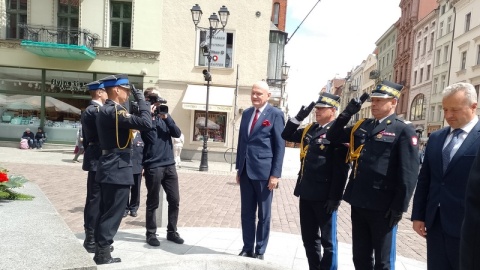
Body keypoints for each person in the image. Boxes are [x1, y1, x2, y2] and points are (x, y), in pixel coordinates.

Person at [326, 80, 420, 270]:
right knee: (360, 257)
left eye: (379, 101)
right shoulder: (363, 125)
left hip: (383, 206)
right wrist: (347, 113)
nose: (374, 104)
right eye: (373, 100)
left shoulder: (403, 129)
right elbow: (332, 136)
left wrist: (399, 207)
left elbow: (409, 173)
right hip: (359, 200)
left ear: (393, 102)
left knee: (383, 261)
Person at [411, 83, 480, 270]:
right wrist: (418, 215)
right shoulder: (436, 137)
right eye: (445, 109)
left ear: (474, 106)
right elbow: (425, 179)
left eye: (455, 110)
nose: (448, 115)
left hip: (469, 228)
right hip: (436, 224)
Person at [281, 93, 350, 270]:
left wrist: (335, 197)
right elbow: (286, 134)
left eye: (322, 108)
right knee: (309, 238)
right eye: (317, 108)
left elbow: (341, 169)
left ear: (333, 111)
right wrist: (298, 117)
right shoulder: (309, 129)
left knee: (328, 242)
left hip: (325, 196)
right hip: (307, 192)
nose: (317, 111)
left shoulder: (339, 132)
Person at [93, 74, 152, 265]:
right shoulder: (115, 111)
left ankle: (101, 249)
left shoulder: (110, 109)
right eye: (126, 90)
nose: (129, 93)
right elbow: (146, 124)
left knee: (107, 210)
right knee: (113, 212)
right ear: (117, 90)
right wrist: (142, 100)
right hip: (116, 167)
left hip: (112, 166)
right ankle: (102, 252)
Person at [235, 81, 286, 260]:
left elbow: (280, 146)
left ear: (267, 96)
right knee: (247, 213)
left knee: (264, 214)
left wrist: (275, 174)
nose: (255, 96)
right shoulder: (247, 113)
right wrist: (238, 168)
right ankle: (247, 247)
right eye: (253, 93)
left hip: (264, 173)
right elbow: (242, 142)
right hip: (246, 171)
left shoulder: (276, 114)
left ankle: (260, 250)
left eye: (259, 93)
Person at [141, 87, 184, 247]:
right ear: (146, 100)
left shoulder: (164, 114)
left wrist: (166, 117)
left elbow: (177, 133)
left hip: (169, 164)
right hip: (153, 165)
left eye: (158, 98)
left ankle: (172, 231)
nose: (157, 101)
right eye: (153, 98)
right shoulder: (144, 118)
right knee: (153, 202)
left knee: (175, 200)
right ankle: (151, 234)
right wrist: (151, 116)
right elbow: (151, 138)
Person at [80, 80, 108, 253]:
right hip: (97, 159)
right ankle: (90, 237)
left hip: (100, 159)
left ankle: (96, 234)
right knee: (94, 199)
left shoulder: (96, 110)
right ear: (98, 93)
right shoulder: (94, 111)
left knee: (100, 199)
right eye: (105, 91)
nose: (107, 94)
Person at [124, 129, 144, 218]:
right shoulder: (125, 135)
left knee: (136, 189)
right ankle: (124, 208)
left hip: (138, 166)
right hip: (126, 165)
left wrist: (144, 167)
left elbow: (145, 153)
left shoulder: (142, 136)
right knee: (125, 189)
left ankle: (133, 208)